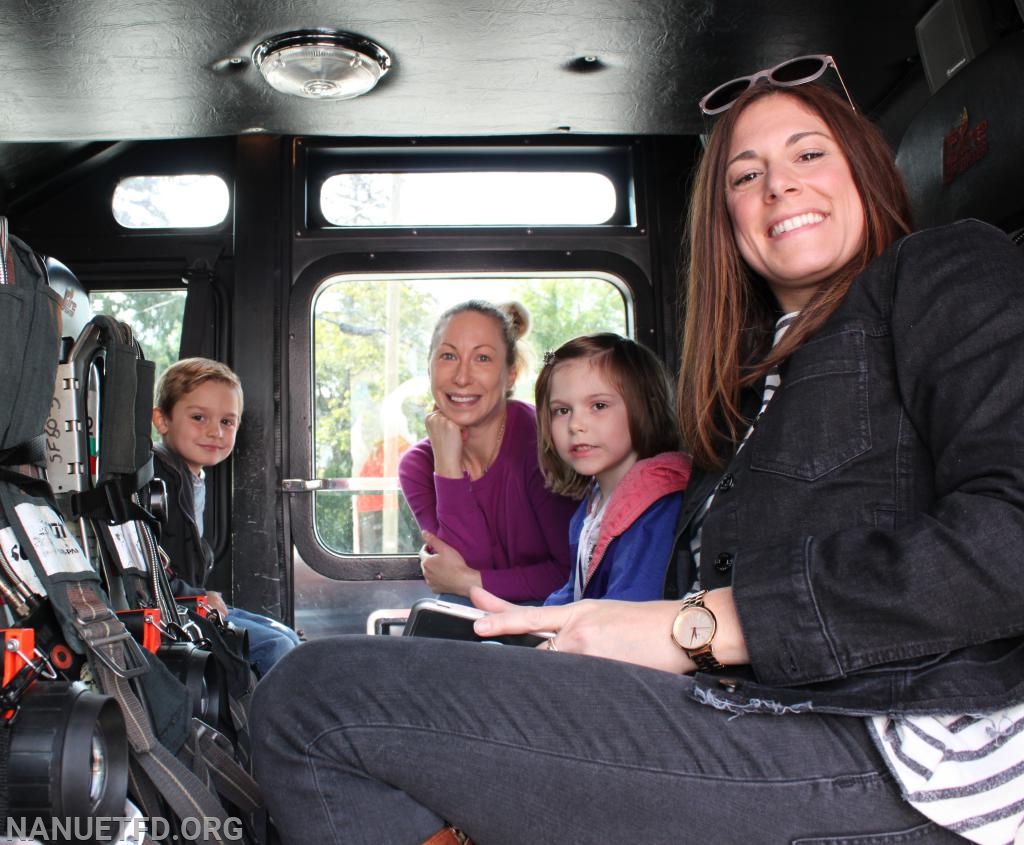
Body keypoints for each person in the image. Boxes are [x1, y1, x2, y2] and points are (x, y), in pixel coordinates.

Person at [250, 65, 1024, 845]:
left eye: (808, 156)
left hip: (895, 745)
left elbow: (1009, 537)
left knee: (311, 704)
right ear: (727, 219)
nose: (779, 187)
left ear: (864, 166)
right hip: (758, 708)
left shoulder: (941, 270)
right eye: (746, 175)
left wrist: (704, 625)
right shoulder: (748, 387)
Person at [398, 300, 577, 603]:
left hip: (551, 616)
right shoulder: (417, 465)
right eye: (448, 356)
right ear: (429, 367)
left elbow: (570, 575)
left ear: (510, 375)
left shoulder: (541, 441)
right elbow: (462, 567)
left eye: (482, 358)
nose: (462, 377)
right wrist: (448, 465)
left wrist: (469, 581)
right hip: (474, 613)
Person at [153, 357, 302, 677]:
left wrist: (203, 592)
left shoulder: (190, 477)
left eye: (227, 422)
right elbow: (151, 567)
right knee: (275, 647)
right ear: (162, 420)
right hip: (171, 608)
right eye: (198, 417)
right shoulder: (159, 481)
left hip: (188, 599)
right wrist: (195, 595)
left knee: (288, 637)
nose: (214, 432)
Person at [537, 334, 690, 604]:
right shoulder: (593, 506)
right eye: (561, 411)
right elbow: (575, 592)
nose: (575, 425)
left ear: (645, 407)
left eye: (599, 406)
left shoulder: (657, 508)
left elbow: (630, 609)